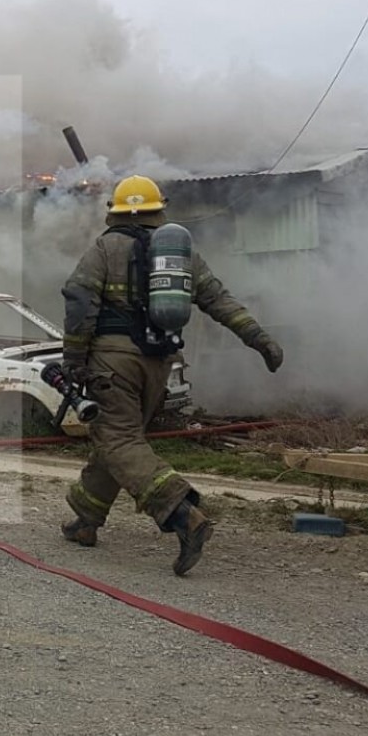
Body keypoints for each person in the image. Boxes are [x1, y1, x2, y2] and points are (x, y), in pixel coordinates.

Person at [58, 174, 283, 576]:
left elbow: (79, 300)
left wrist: (73, 358)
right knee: (116, 439)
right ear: (158, 210)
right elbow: (218, 298)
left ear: (115, 212)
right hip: (159, 364)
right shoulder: (180, 256)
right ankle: (85, 522)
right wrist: (259, 339)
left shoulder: (105, 248)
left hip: (113, 362)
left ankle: (183, 514)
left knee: (118, 438)